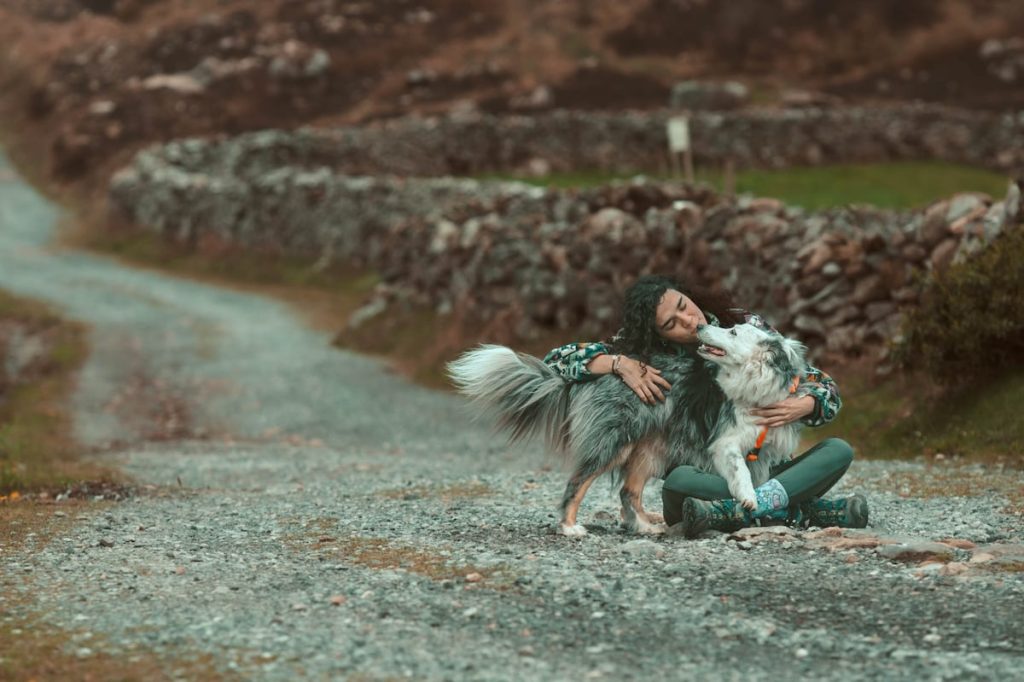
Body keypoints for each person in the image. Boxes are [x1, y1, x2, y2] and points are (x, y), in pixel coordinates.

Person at [542, 274, 868, 538]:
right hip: (707, 481)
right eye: (671, 324)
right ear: (658, 335)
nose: (689, 320)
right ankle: (792, 509)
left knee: (838, 450)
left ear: (689, 295)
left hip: (766, 471)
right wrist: (618, 363)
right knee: (680, 482)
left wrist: (807, 403)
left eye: (684, 305)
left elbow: (820, 383)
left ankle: (739, 512)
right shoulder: (650, 348)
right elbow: (556, 361)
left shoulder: (742, 325)